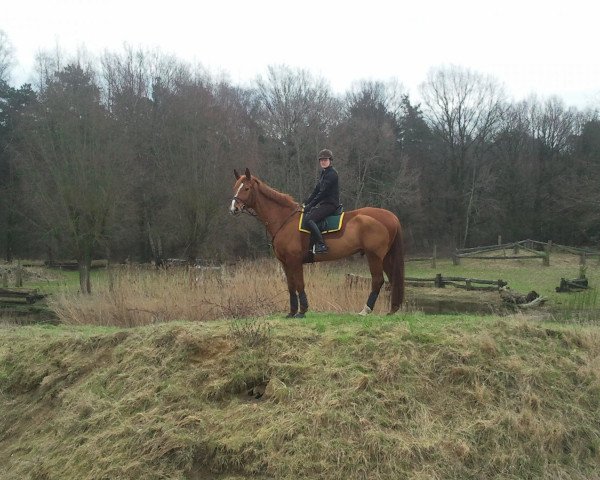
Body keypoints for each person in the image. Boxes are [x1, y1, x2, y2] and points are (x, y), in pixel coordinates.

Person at [302, 148, 340, 254]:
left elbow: (322, 194)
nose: (323, 161)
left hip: (331, 204)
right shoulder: (323, 174)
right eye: (321, 160)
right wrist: (306, 203)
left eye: (325, 159)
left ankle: (321, 244)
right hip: (324, 204)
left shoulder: (332, 174)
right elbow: (316, 190)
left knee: (309, 219)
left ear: (330, 160)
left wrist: (310, 206)